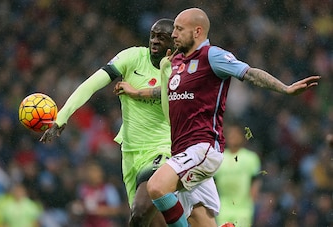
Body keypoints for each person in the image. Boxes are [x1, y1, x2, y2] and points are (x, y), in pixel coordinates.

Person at [144, 7, 320, 227]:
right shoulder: (177, 61)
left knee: (156, 187)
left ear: (197, 31)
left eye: (179, 29)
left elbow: (251, 73)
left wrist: (284, 88)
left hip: (202, 148)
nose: (173, 34)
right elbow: (165, 94)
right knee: (197, 220)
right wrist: (135, 91)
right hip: (181, 153)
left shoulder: (212, 56)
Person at [40, 18, 175, 227]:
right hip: (130, 153)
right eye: (153, 36)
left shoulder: (179, 70)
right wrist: (62, 116)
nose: (155, 41)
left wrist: (139, 92)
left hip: (162, 148)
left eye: (162, 38)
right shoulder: (132, 57)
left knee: (139, 213)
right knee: (151, 223)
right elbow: (91, 84)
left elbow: (169, 95)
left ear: (174, 43)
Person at [214, 123, 261, 227]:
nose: (233, 137)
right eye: (231, 135)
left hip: (243, 209)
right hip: (223, 208)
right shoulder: (219, 158)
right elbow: (214, 183)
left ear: (242, 137)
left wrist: (252, 203)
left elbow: (255, 183)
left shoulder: (251, 158)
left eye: (236, 134)